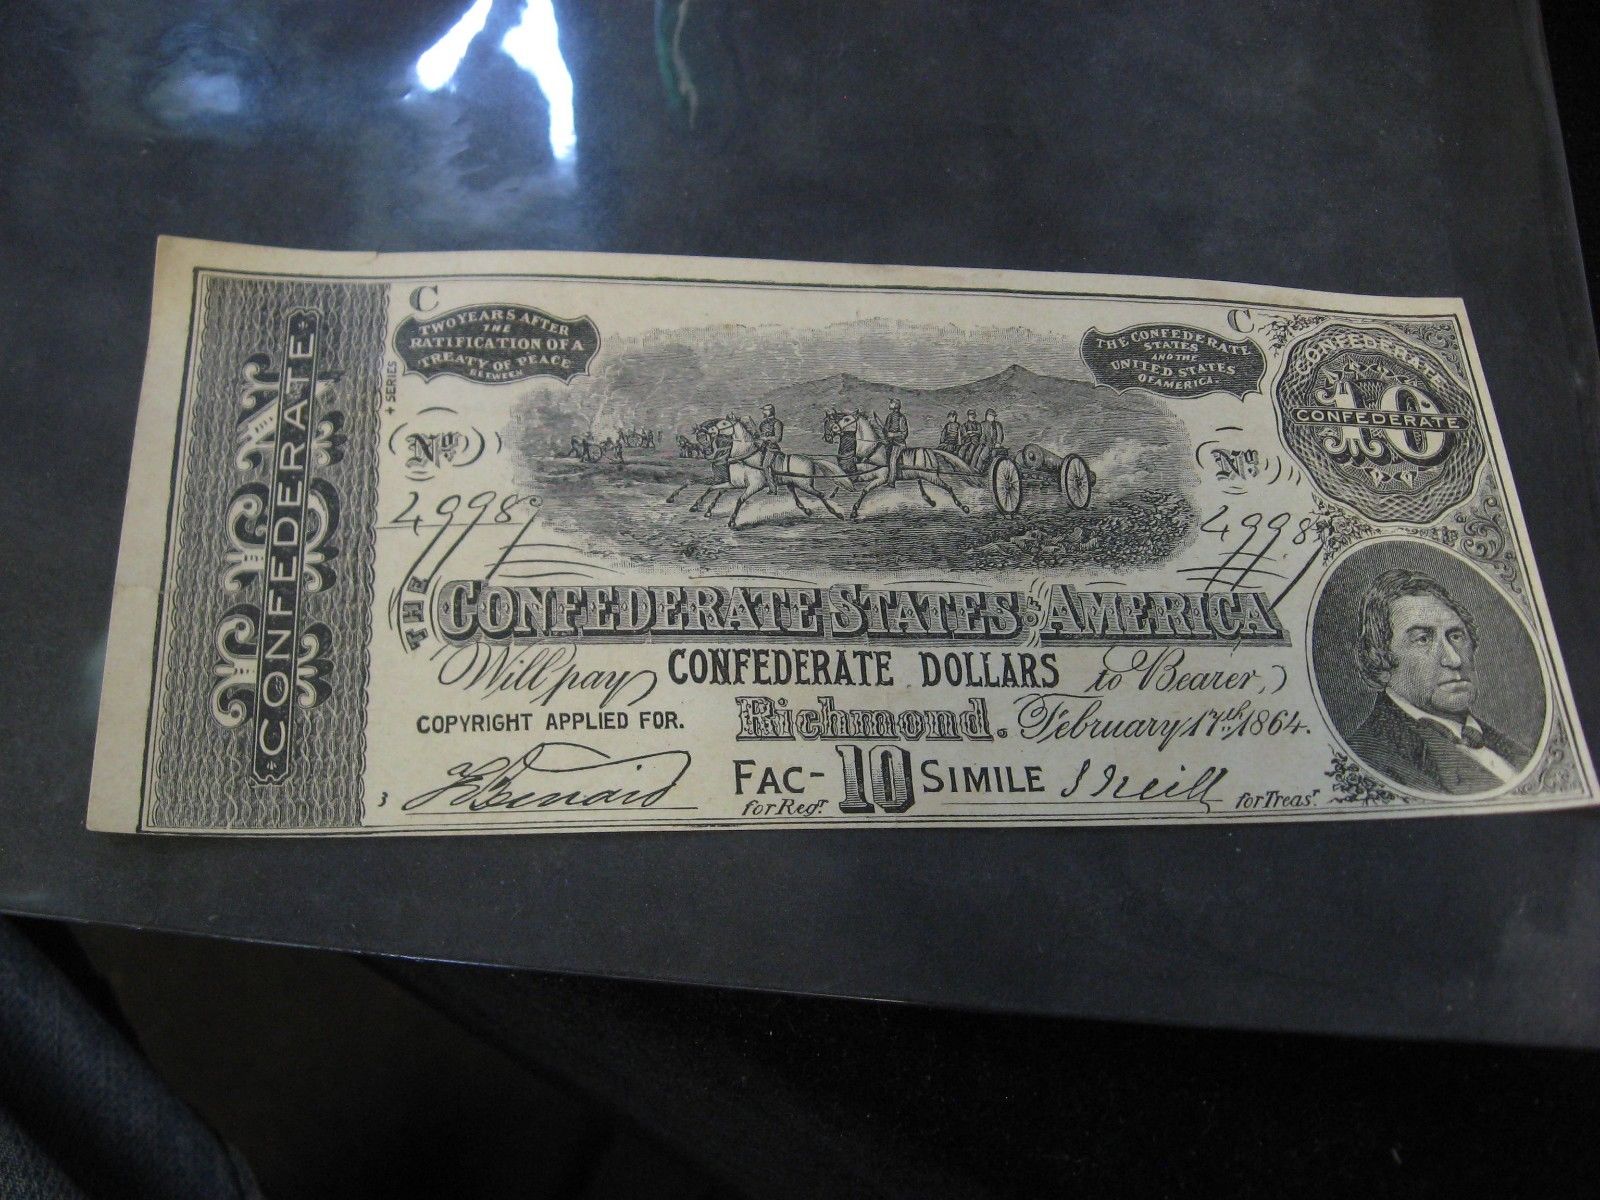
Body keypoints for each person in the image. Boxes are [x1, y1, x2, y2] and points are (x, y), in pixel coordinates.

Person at [1346, 569, 1532, 794]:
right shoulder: (1367, 759)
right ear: (1380, 659)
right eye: (1423, 639)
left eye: (1456, 636)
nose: (1454, 659)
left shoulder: (1517, 751)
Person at [757, 403, 784, 492]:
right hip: (761, 448)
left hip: (772, 448)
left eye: (765, 410)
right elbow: (760, 435)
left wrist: (767, 438)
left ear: (770, 411)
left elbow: (778, 438)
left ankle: (773, 488)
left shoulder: (777, 423)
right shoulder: (763, 423)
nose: (763, 412)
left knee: (766, 466)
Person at [883, 398, 909, 484]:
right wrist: (885, 432)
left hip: (898, 444)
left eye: (891, 403)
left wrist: (893, 435)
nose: (890, 404)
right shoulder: (889, 416)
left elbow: (904, 433)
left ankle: (891, 481)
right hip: (890, 443)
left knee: (892, 460)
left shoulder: (901, 418)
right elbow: (886, 430)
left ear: (896, 405)